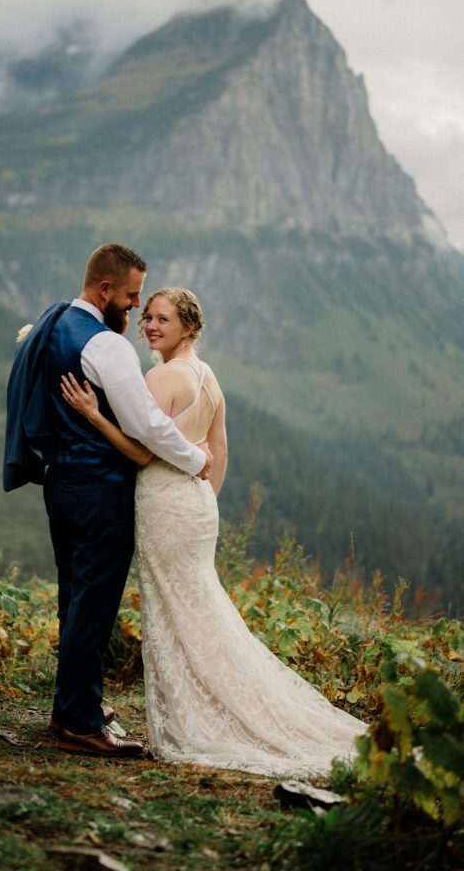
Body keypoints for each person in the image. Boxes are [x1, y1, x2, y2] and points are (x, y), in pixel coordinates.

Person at [60, 286, 366, 778]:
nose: (151, 327)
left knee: (176, 609)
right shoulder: (208, 377)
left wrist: (93, 414)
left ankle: (200, 714)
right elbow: (218, 452)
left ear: (188, 326)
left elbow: (140, 453)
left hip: (163, 502)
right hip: (198, 507)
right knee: (199, 604)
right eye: (148, 320)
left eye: (162, 319)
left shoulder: (160, 378)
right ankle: (222, 699)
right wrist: (203, 502)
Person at [3, 245, 212, 759]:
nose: (137, 307)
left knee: (74, 599)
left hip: (60, 485)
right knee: (92, 607)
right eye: (132, 295)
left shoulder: (49, 326)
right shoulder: (107, 346)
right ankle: (79, 722)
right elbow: (146, 425)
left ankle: (72, 704)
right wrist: (192, 458)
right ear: (105, 292)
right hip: (100, 490)